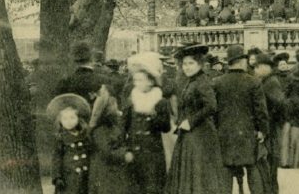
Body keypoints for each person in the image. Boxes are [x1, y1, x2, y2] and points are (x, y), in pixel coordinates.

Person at [165, 44, 226, 194]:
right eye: (184, 64)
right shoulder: (191, 81)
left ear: (199, 64)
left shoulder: (202, 81)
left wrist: (190, 121)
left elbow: (211, 106)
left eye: (191, 63)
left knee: (199, 174)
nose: (187, 67)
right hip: (191, 133)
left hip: (200, 134)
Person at [212, 45, 269, 194]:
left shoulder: (217, 82)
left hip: (224, 134)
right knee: (253, 168)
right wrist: (263, 130)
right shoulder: (253, 82)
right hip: (247, 133)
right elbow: (260, 111)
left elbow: (213, 111)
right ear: (242, 61)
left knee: (225, 172)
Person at [124, 52, 172, 194]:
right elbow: (124, 126)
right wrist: (125, 149)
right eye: (135, 80)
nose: (137, 84)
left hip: (153, 154)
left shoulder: (160, 101)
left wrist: (153, 117)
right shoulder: (132, 99)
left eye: (140, 80)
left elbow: (166, 127)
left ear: (150, 81)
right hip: (134, 151)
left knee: (153, 187)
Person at [254, 53, 288, 194]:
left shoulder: (270, 82)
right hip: (271, 127)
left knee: (269, 164)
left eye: (257, 67)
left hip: (271, 129)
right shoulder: (267, 80)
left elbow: (280, 104)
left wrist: (270, 118)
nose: (255, 69)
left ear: (266, 67)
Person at [89, 94, 136, 194]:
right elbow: (107, 151)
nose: (117, 110)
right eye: (114, 107)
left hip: (116, 171)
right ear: (106, 111)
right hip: (105, 173)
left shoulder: (116, 126)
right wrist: (124, 154)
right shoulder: (99, 130)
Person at [47, 94, 92, 194]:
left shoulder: (85, 135)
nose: (69, 121)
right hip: (68, 179)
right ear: (60, 121)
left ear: (78, 119)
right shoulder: (60, 138)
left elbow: (91, 152)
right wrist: (57, 177)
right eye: (65, 119)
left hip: (85, 177)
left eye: (72, 117)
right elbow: (56, 158)